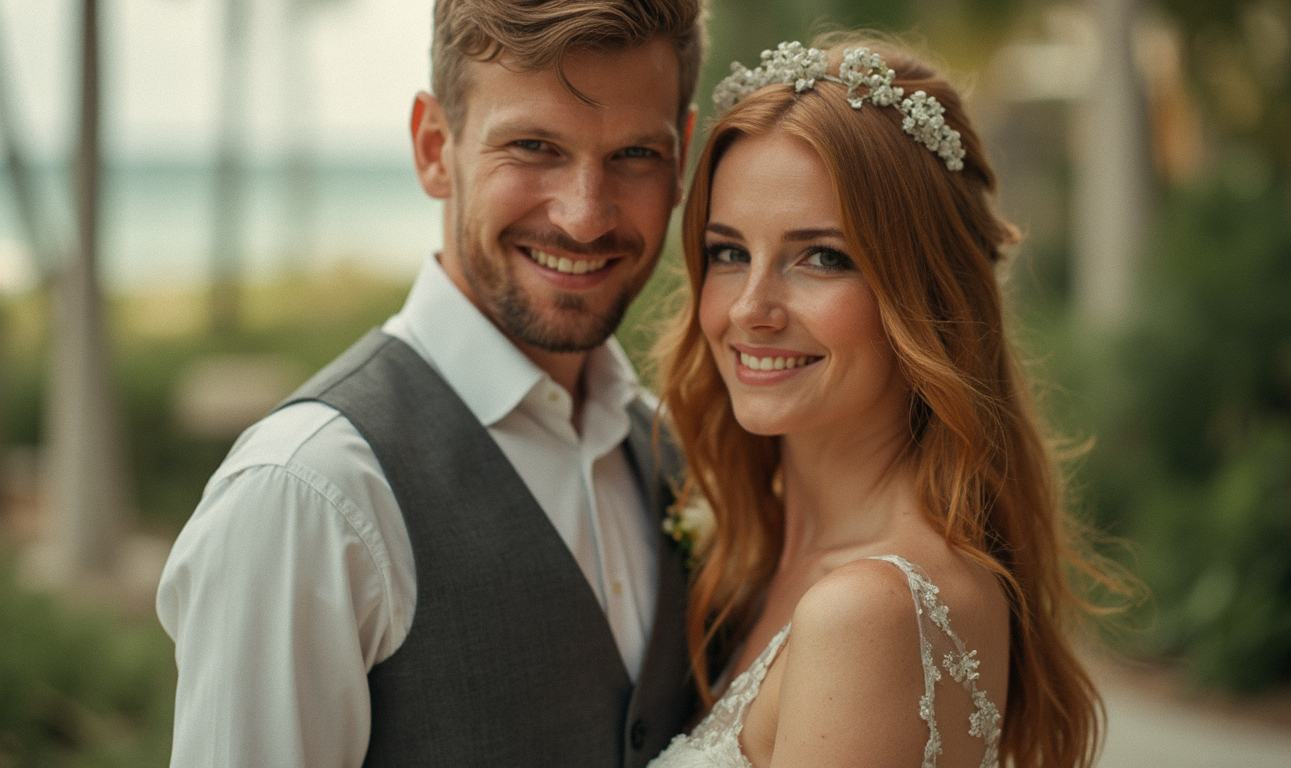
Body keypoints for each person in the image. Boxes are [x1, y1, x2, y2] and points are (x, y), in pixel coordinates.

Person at [156, 2, 705, 766]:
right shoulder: (306, 494)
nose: (585, 216)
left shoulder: (674, 456)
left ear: (680, 163)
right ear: (434, 148)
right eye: (534, 146)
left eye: (635, 154)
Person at [649, 37, 1117, 768]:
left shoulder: (870, 612)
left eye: (822, 257)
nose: (751, 309)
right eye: (728, 251)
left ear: (923, 294)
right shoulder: (763, 560)